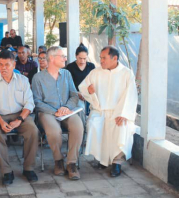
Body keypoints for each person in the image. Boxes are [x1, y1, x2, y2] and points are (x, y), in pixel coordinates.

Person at [79, 46, 138, 177]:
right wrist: (89, 92)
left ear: (115, 58)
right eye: (100, 58)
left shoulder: (126, 73)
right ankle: (102, 159)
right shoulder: (96, 72)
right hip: (100, 110)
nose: (101, 61)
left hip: (119, 112)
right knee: (94, 125)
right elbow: (83, 87)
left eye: (104, 58)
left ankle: (117, 163)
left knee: (121, 128)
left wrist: (123, 113)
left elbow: (131, 95)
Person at [0, 50, 39, 184]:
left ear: (14, 65)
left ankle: (28, 168)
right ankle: (6, 171)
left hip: (19, 114)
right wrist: (1, 122)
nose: (4, 68)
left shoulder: (23, 80)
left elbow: (29, 103)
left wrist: (19, 120)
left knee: (33, 130)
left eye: (7, 65)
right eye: (1, 64)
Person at [32, 46, 83, 180]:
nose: (65, 58)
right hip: (47, 112)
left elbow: (74, 95)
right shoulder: (38, 78)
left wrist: (66, 107)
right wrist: (55, 112)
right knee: (54, 131)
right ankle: (58, 160)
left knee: (78, 126)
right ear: (52, 59)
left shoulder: (66, 74)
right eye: (62, 56)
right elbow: (36, 102)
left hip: (67, 111)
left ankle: (71, 163)